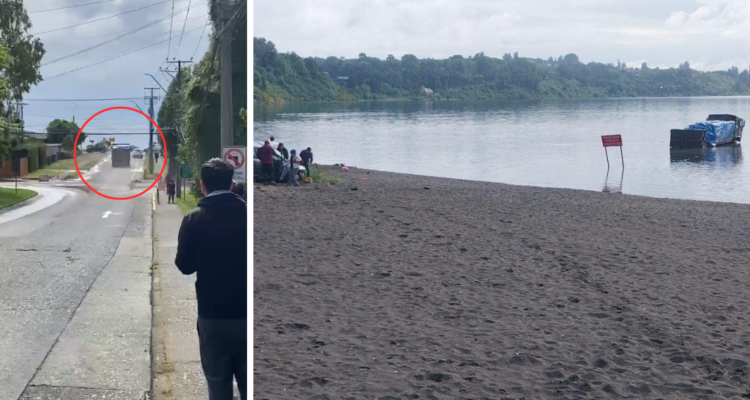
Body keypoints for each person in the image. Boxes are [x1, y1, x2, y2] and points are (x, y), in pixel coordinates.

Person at [176, 159, 247, 400]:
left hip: (213, 313)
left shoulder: (194, 219)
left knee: (218, 384)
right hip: (246, 312)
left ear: (203, 185)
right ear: (231, 183)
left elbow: (184, 267)